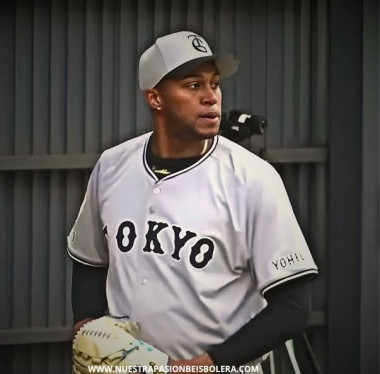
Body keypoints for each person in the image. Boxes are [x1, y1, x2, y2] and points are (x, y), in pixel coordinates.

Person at [67, 31, 318, 372]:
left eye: (214, 84)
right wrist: (88, 327)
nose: (211, 97)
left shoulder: (253, 178)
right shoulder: (112, 165)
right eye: (193, 85)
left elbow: (292, 307)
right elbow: (89, 261)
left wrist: (199, 367)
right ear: (155, 97)